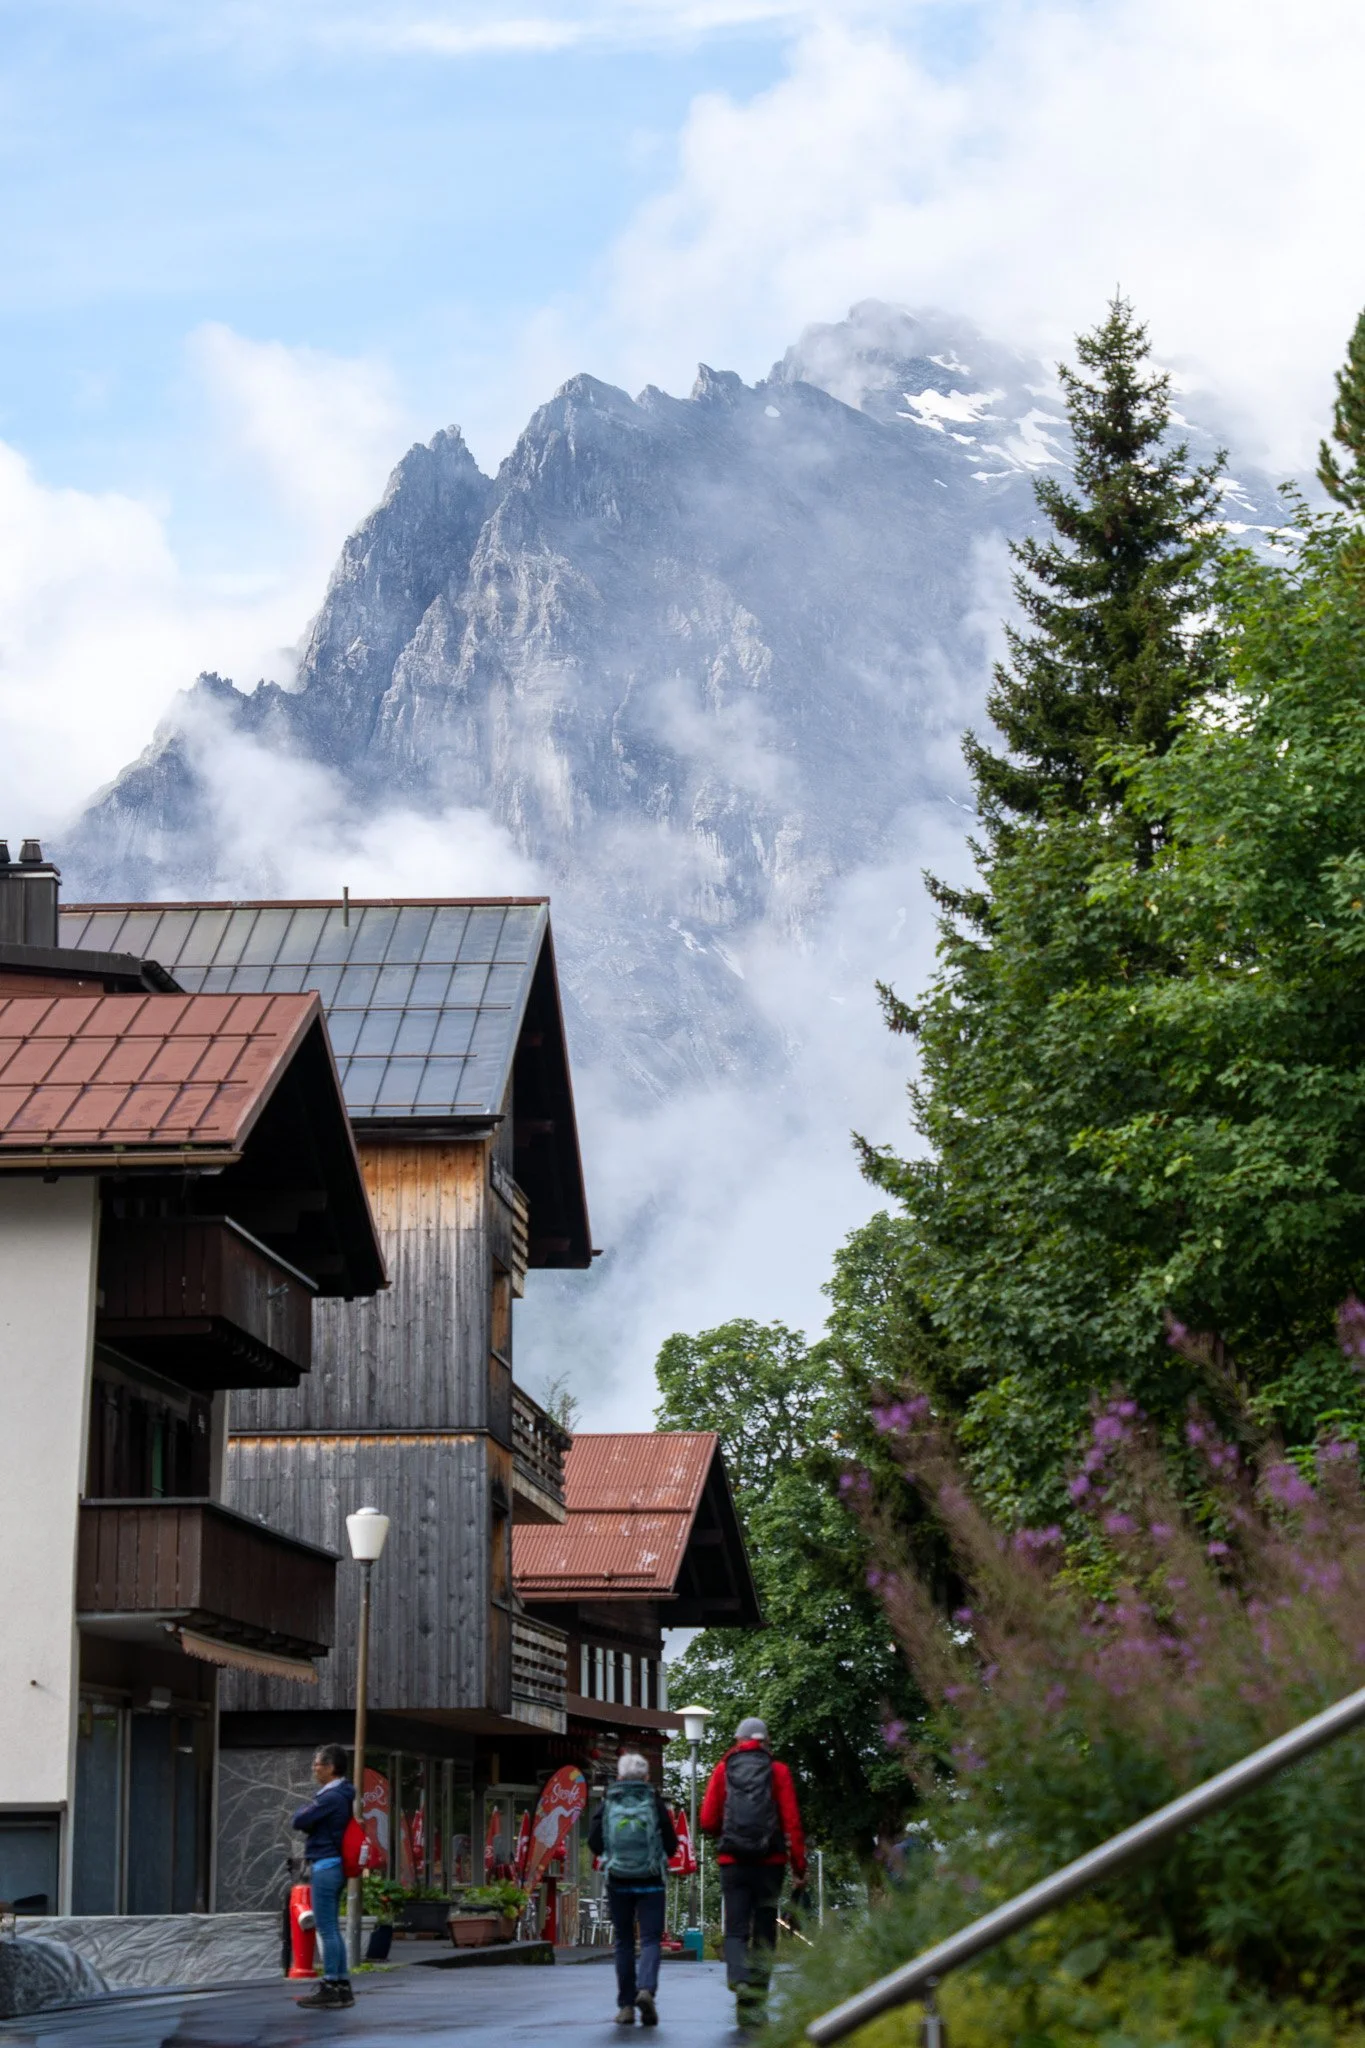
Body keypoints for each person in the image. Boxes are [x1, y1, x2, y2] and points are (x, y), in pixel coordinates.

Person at [700, 1715, 806, 2030]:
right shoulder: (779, 1771)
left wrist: (728, 1836)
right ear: (766, 1742)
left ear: (738, 1741)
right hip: (770, 1864)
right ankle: (755, 2006)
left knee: (735, 1929)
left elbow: (707, 1820)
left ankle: (738, 1978)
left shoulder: (723, 1769)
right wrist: (799, 1867)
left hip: (733, 1862)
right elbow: (792, 1823)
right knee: (764, 1932)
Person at [588, 1752, 679, 2027]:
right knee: (651, 1939)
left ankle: (626, 2006)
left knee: (624, 1941)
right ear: (646, 1777)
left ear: (618, 1777)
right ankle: (646, 1989)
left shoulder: (608, 1801)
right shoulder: (653, 1801)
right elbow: (672, 1844)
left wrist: (612, 1856)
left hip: (618, 1880)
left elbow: (594, 1841)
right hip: (651, 1879)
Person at [291, 1743, 357, 2010]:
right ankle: (342, 1985)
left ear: (331, 1767)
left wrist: (307, 1813)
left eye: (317, 1764)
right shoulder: (343, 1794)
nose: (314, 1768)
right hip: (336, 1864)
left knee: (326, 1928)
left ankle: (331, 1984)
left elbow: (300, 1820)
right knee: (333, 1928)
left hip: (326, 1864)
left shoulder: (330, 1797)